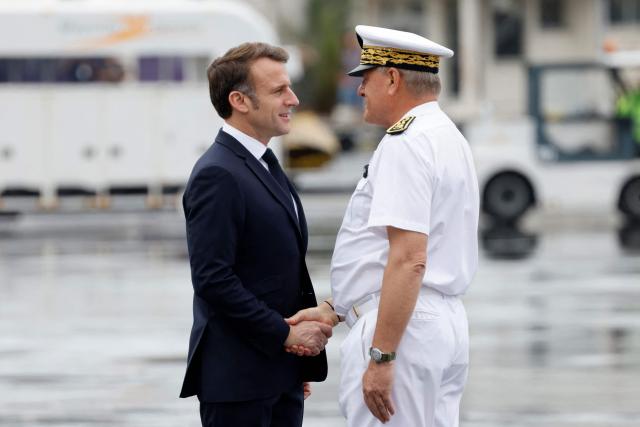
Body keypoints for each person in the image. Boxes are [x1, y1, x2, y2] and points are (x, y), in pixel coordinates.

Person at [287, 25, 479, 426]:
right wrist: (335, 309)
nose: (358, 90)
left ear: (392, 79)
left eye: (365, 78)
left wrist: (383, 354)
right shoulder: (446, 136)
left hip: (402, 330)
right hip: (435, 323)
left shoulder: (406, 143)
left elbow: (409, 259)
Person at [179, 42, 331, 427]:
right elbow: (213, 278)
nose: (293, 99)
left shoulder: (263, 161)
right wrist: (284, 335)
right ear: (240, 101)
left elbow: (278, 271)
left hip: (279, 373)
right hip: (238, 383)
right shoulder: (218, 173)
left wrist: (292, 363)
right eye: (279, 91)